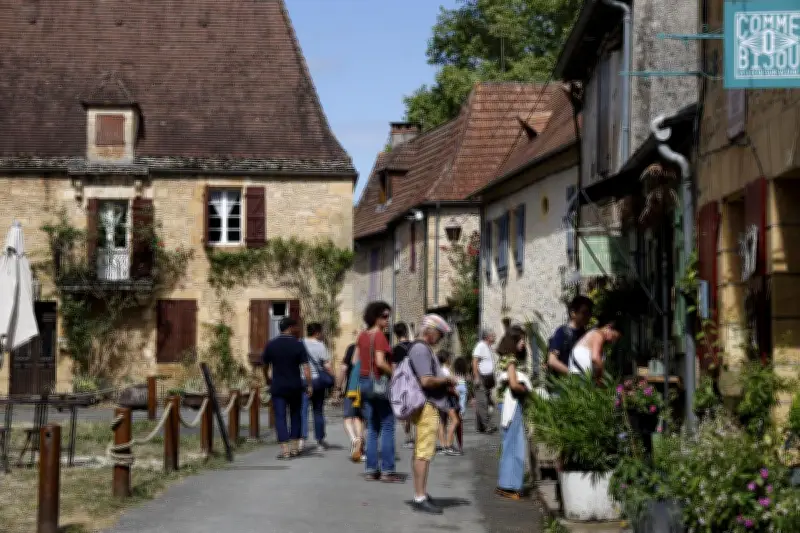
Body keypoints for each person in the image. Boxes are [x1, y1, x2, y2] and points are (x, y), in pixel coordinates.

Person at [408, 314, 455, 514]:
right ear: (430, 332)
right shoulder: (420, 350)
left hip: (427, 404)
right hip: (427, 404)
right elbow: (426, 381)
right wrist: (446, 381)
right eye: (440, 335)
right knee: (424, 453)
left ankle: (421, 493)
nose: (440, 340)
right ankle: (419, 497)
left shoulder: (420, 348)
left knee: (422, 451)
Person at [357, 301, 402, 483]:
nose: (387, 320)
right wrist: (396, 374)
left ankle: (370, 469)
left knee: (372, 427)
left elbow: (359, 361)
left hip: (365, 382)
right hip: (379, 383)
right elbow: (381, 362)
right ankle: (387, 471)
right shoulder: (380, 337)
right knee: (388, 425)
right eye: (384, 316)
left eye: (388, 316)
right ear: (375, 317)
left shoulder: (362, 336)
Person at [261, 317, 312, 460]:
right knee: (296, 415)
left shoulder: (271, 345)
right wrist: (309, 384)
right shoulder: (298, 345)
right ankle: (295, 447)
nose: (296, 329)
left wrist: (267, 378)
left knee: (280, 417)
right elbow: (306, 368)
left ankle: (285, 450)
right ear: (290, 328)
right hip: (295, 385)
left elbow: (264, 365)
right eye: (295, 327)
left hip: (278, 386)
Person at [496, 326, 532, 500]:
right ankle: (510, 486)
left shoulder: (504, 358)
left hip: (504, 404)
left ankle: (506, 483)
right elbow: (513, 384)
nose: (523, 343)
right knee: (516, 444)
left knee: (509, 443)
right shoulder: (511, 360)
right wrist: (526, 390)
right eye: (521, 340)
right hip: (512, 403)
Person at [300, 322, 332, 452]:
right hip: (318, 381)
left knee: (303, 410)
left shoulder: (300, 343)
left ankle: (302, 439)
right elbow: (327, 365)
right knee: (318, 410)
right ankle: (319, 440)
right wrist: (332, 378)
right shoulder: (321, 346)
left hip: (302, 380)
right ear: (317, 332)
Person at [547, 295, 593, 378]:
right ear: (573, 313)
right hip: (565, 386)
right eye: (584, 312)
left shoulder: (586, 334)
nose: (588, 317)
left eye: (589, 313)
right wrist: (573, 375)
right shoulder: (562, 332)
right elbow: (552, 361)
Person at [338, 329, 364, 462]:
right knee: (359, 418)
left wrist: (338, 387)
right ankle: (360, 443)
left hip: (352, 388)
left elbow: (343, 369)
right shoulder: (372, 349)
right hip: (366, 388)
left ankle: (354, 439)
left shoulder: (351, 348)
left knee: (348, 417)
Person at [569, 315, 622, 382]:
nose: (612, 341)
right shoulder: (598, 334)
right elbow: (595, 358)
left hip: (581, 375)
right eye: (614, 336)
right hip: (580, 376)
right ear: (609, 327)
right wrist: (602, 377)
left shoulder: (595, 334)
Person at [392, 322, 415, 449]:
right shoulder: (413, 346)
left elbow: (394, 368)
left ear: (396, 334)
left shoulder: (395, 349)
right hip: (413, 380)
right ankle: (411, 432)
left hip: (400, 382)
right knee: (412, 406)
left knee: (400, 408)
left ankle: (408, 436)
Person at [436, 350, 463, 456]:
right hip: (448, 398)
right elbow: (450, 384)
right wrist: (455, 385)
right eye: (449, 357)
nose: (451, 359)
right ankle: (448, 445)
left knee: (442, 422)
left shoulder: (438, 370)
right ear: (446, 359)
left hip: (441, 398)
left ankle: (443, 446)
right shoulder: (445, 371)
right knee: (455, 420)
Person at [472, 328, 498, 434]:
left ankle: (480, 426)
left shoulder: (488, 347)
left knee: (483, 402)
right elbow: (474, 362)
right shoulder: (480, 346)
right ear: (488, 337)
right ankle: (487, 426)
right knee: (483, 402)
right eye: (493, 335)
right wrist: (477, 377)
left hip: (487, 379)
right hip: (481, 378)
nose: (495, 337)